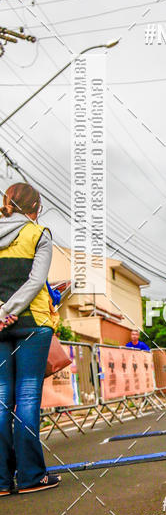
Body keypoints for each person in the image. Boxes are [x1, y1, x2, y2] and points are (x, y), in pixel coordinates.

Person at [0, 183, 61, 494]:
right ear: (35, 207)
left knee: (0, 401)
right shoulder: (39, 234)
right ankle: (31, 477)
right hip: (32, 323)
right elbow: (37, 281)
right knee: (26, 400)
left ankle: (0, 480)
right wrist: (10, 310)